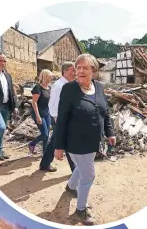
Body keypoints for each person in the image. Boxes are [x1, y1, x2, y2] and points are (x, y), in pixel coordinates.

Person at [54, 54, 116, 225]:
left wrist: (110, 132)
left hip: (93, 142)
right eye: (78, 67)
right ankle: (81, 210)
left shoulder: (99, 87)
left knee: (81, 168)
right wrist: (58, 146)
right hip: (76, 142)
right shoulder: (69, 90)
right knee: (88, 174)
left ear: (93, 72)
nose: (80, 71)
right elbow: (62, 120)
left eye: (85, 68)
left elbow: (106, 113)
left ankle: (70, 187)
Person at [39, 62, 76, 172]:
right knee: (68, 142)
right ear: (65, 72)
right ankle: (75, 170)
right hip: (59, 119)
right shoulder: (60, 86)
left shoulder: (68, 84)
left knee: (55, 141)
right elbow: (53, 104)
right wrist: (57, 118)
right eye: (72, 70)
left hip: (63, 118)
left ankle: (45, 164)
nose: (75, 73)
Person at [28, 69, 52, 154]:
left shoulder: (50, 88)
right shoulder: (38, 88)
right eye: (49, 76)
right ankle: (32, 144)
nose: (51, 78)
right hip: (38, 113)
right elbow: (34, 102)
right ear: (44, 77)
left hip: (47, 112)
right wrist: (38, 116)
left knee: (47, 134)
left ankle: (45, 152)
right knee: (44, 134)